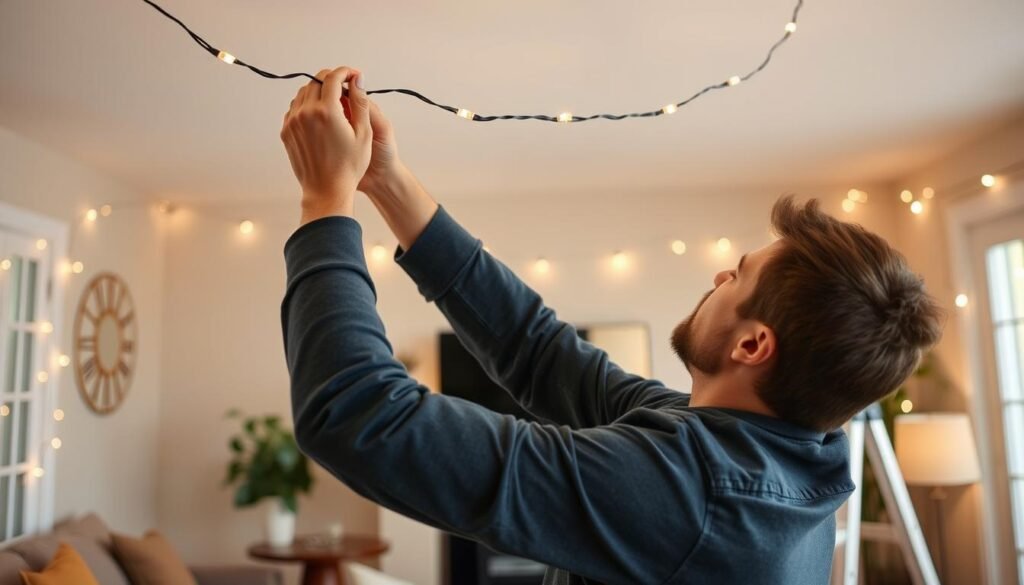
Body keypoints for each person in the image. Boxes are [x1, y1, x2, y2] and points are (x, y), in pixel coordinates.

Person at [279, 66, 944, 585]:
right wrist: (387, 180)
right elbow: (540, 351)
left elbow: (359, 414)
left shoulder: (684, 495)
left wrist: (325, 205)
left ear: (752, 344)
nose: (719, 276)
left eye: (738, 277)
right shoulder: (765, 452)